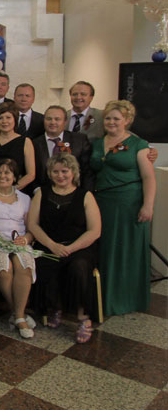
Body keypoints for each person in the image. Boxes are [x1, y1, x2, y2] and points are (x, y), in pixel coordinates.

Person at [90, 100, 155, 316]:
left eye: (116, 119)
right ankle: (105, 298)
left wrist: (148, 205)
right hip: (103, 202)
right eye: (108, 118)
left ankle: (126, 299)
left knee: (126, 249)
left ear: (127, 120)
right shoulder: (98, 143)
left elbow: (148, 177)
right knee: (106, 249)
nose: (111, 122)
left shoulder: (138, 144)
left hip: (129, 203)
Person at [28, 153, 101, 343]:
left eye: (64, 171)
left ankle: (83, 317)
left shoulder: (86, 196)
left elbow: (95, 231)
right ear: (50, 173)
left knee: (78, 268)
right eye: (55, 171)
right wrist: (52, 245)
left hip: (79, 247)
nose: (60, 175)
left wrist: (72, 248)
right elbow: (33, 225)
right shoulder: (41, 193)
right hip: (49, 244)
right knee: (42, 264)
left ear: (73, 172)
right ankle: (55, 307)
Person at [0, 159, 36, 339]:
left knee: (24, 265)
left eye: (7, 173)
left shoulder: (25, 199)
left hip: (18, 243)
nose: (2, 176)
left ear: (15, 177)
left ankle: (17, 316)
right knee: (4, 268)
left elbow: (31, 229)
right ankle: (20, 315)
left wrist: (25, 239)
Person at [32, 105, 93, 192]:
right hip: (43, 193)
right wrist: (37, 191)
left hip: (74, 193)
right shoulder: (34, 143)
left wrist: (83, 194)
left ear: (65, 122)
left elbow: (87, 172)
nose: (52, 122)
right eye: (49, 119)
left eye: (57, 119)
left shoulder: (80, 140)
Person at [0, 102, 35, 195]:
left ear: (15, 119)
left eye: (8, 117)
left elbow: (31, 174)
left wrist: (11, 190)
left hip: (16, 192)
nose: (4, 121)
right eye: (0, 118)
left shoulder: (26, 142)